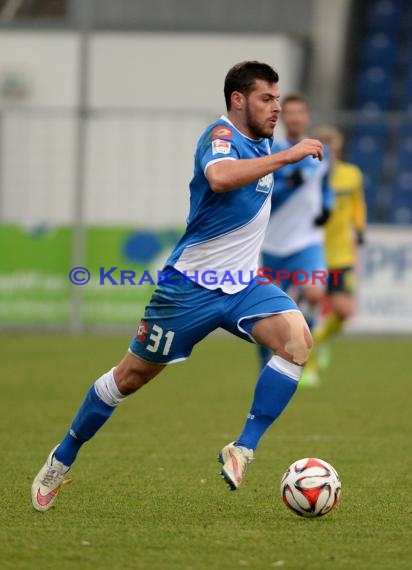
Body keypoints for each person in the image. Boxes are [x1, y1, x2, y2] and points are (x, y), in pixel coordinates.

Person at [31, 61, 324, 512]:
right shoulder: (220, 137)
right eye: (267, 98)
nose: (276, 108)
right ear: (238, 100)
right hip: (188, 289)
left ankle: (243, 447)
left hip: (243, 283)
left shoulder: (263, 141)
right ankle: (63, 456)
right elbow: (220, 177)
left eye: (278, 98)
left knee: (297, 340)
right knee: (129, 378)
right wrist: (289, 155)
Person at [258, 93, 334, 381]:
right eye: (288, 113)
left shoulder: (320, 151)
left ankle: (304, 355)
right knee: (267, 314)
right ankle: (266, 364)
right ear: (281, 117)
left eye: (299, 113)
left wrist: (327, 207)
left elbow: (326, 185)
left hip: (307, 242)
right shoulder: (272, 153)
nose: (294, 118)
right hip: (274, 244)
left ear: (306, 117)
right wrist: (289, 183)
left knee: (315, 292)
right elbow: (265, 199)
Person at [303, 125, 366, 377]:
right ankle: (307, 365)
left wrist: (359, 228)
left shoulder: (351, 174)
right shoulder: (309, 175)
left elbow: (357, 204)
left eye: (333, 143)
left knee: (344, 311)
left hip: (340, 254)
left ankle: (319, 338)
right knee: (310, 303)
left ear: (339, 146)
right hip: (311, 252)